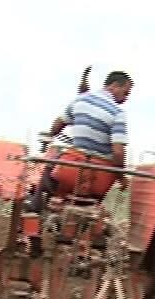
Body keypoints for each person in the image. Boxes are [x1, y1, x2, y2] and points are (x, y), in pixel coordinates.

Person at [37, 71, 133, 206]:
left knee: (50, 159)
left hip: (69, 170)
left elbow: (57, 126)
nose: (125, 99)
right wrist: (121, 178)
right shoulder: (118, 113)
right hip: (100, 179)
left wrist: (50, 136)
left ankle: (34, 208)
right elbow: (118, 152)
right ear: (115, 85)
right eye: (125, 93)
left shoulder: (81, 99)